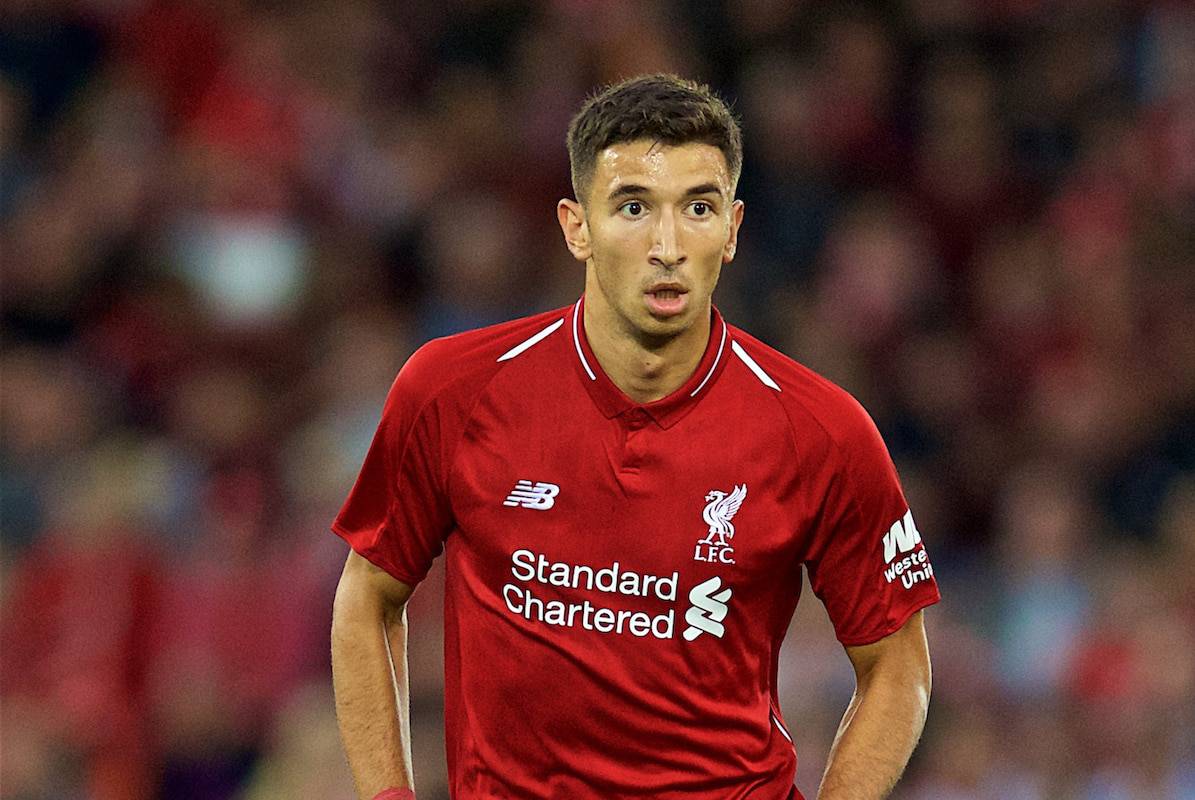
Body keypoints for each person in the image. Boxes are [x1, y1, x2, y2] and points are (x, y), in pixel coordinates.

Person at [330, 74, 939, 800]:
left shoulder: (820, 430)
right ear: (574, 226)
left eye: (698, 208)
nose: (667, 245)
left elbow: (897, 662)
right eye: (632, 207)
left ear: (733, 229)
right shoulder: (452, 389)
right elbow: (368, 595)